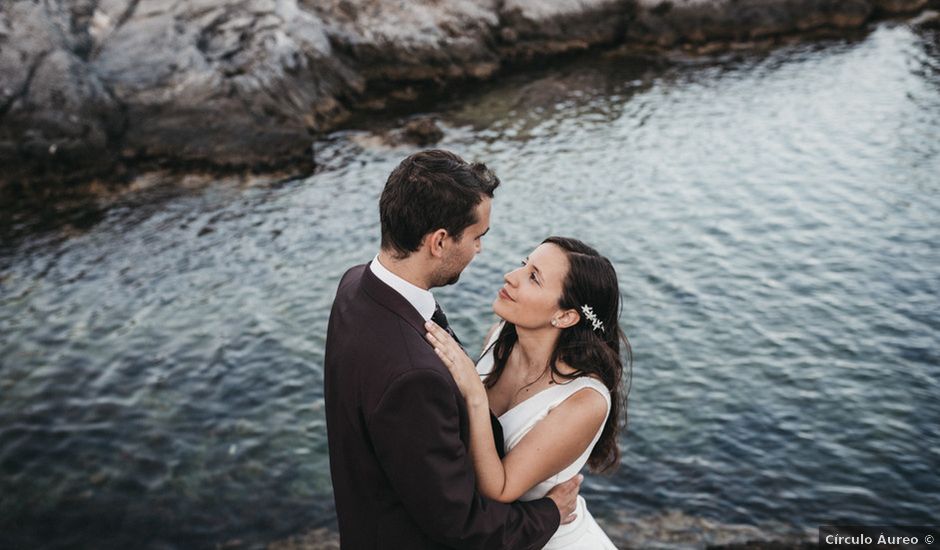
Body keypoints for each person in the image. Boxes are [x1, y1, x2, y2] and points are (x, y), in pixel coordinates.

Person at [324, 150, 582, 549]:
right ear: (440, 241)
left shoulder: (355, 285)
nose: (479, 250)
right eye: (477, 237)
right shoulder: (415, 378)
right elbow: (460, 527)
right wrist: (549, 512)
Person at [425, 236, 631, 549]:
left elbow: (501, 488)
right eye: (525, 264)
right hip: (494, 533)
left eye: (533, 277)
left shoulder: (584, 401)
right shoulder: (500, 337)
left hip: (545, 540)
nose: (511, 276)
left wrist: (474, 395)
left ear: (565, 316)